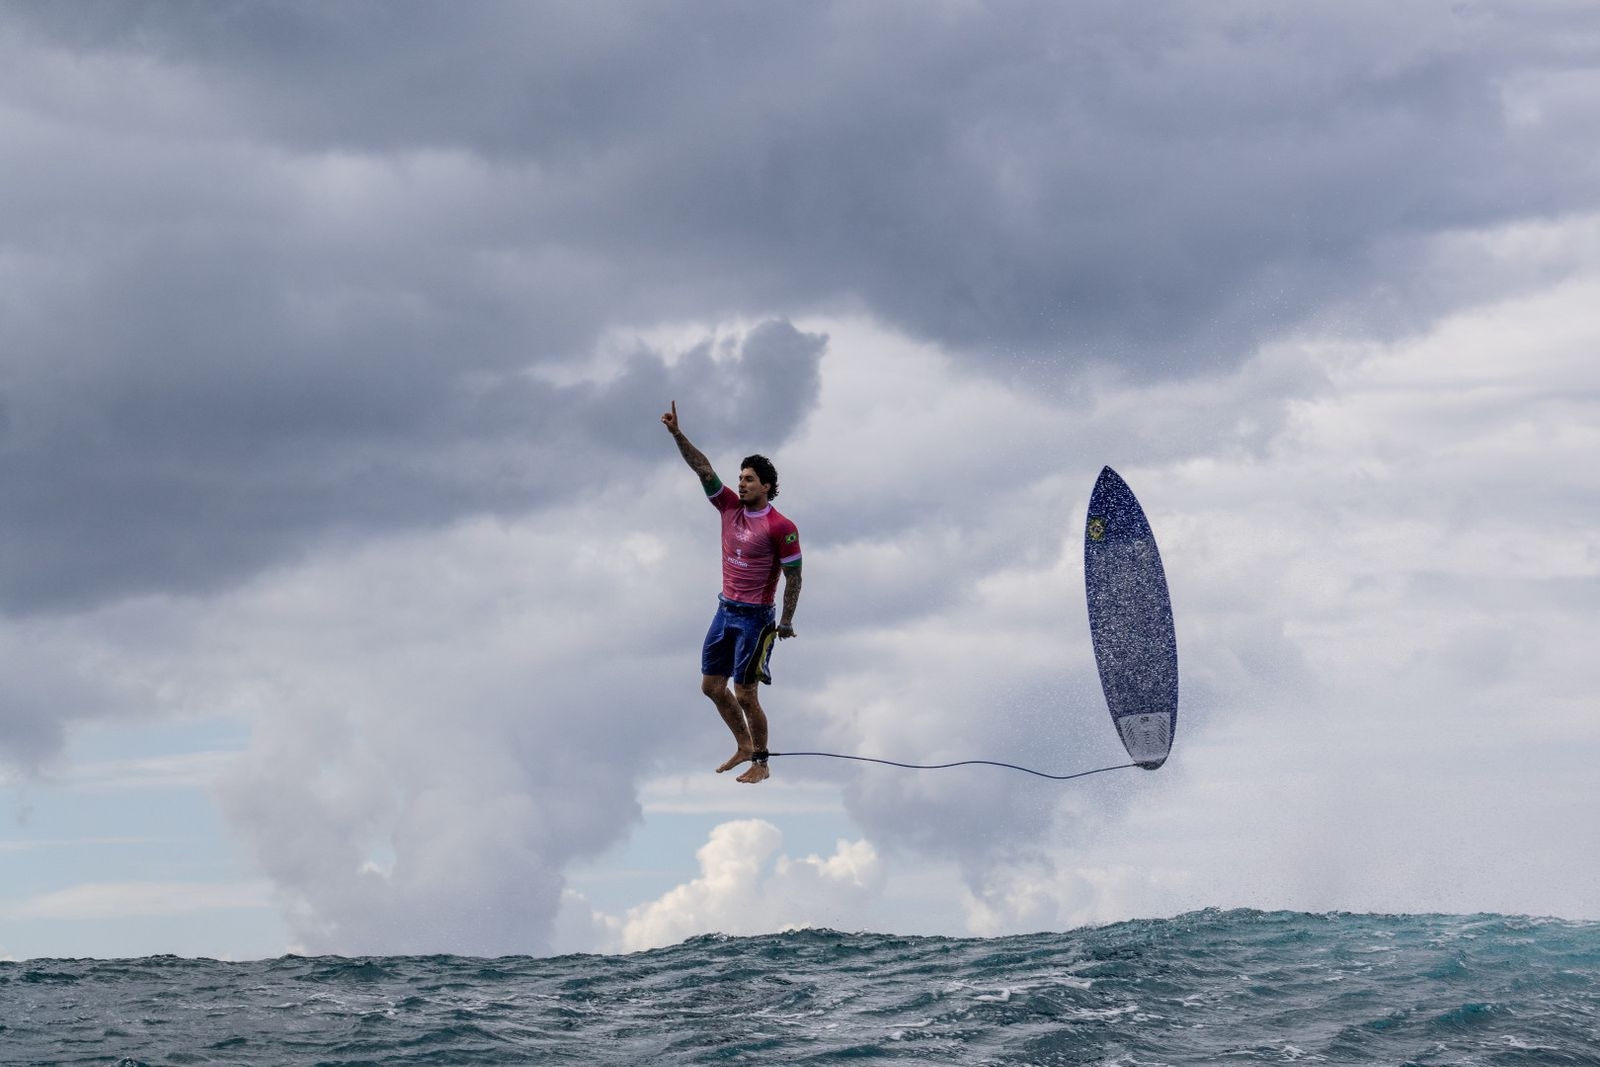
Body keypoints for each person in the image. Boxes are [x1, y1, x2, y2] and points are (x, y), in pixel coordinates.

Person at [661, 401, 802, 784]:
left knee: (745, 693)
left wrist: (786, 621)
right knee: (711, 686)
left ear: (767, 486)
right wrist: (677, 434)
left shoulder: (781, 526)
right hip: (725, 610)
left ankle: (761, 761)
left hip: (756, 619)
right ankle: (742, 744)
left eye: (749, 479)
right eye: (740, 478)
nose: (741, 484)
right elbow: (703, 468)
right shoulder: (728, 507)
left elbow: (794, 576)